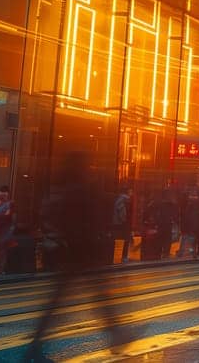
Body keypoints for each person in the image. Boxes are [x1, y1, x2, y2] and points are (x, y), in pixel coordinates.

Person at [27, 153, 128, 360]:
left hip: (74, 251)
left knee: (63, 301)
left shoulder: (65, 189)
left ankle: (36, 345)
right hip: (82, 251)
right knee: (95, 296)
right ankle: (116, 333)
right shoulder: (80, 190)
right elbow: (87, 221)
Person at [140, 189, 179, 261]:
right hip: (166, 224)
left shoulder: (157, 203)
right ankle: (165, 254)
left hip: (160, 224)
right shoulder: (171, 204)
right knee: (166, 239)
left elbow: (148, 212)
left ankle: (161, 253)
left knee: (161, 239)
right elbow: (175, 215)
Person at [113, 187, 135, 263]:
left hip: (120, 223)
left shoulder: (120, 199)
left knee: (124, 240)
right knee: (125, 240)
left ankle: (123, 256)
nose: (132, 193)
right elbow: (122, 212)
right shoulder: (125, 200)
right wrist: (125, 221)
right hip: (123, 224)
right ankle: (124, 257)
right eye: (131, 191)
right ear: (127, 192)